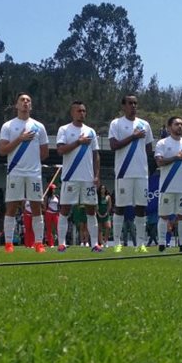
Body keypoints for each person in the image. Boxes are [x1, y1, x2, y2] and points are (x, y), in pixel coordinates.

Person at [0, 92, 49, 254]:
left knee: (36, 208)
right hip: (15, 172)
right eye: (22, 100)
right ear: (16, 105)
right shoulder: (8, 126)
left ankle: (39, 243)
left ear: (31, 106)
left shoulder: (39, 126)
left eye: (28, 100)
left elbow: (45, 152)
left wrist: (32, 163)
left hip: (34, 173)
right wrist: (20, 139)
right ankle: (8, 243)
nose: (25, 103)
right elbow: (2, 150)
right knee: (12, 207)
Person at [107, 95, 155, 251]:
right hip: (123, 172)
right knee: (120, 207)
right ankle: (117, 243)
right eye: (130, 103)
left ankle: (141, 243)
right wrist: (133, 137)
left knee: (141, 208)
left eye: (135, 103)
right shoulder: (116, 123)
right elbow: (113, 145)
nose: (133, 106)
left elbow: (148, 149)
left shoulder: (145, 124)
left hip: (141, 173)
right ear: (123, 106)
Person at [55, 101, 102, 252]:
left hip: (88, 178)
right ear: (72, 113)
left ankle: (94, 244)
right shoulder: (64, 129)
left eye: (84, 111)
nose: (82, 113)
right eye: (78, 111)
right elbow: (60, 150)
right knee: (65, 209)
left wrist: (96, 175)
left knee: (91, 210)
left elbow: (96, 155)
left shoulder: (91, 131)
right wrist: (78, 142)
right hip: (70, 177)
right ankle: (61, 243)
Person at [154, 116, 182, 252]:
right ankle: (161, 243)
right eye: (177, 124)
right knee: (164, 216)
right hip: (167, 186)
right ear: (169, 127)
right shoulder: (162, 143)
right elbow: (159, 162)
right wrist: (176, 158)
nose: (180, 126)